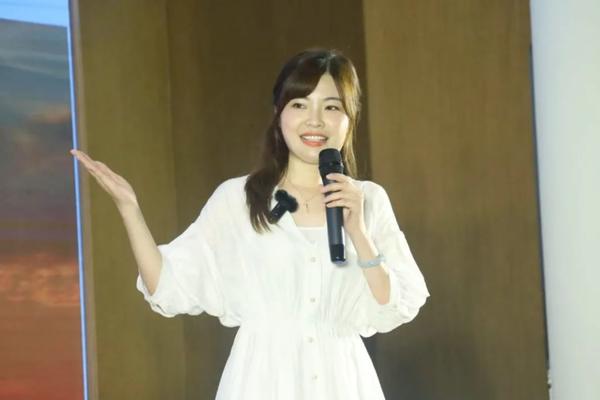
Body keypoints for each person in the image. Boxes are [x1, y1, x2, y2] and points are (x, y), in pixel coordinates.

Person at [71, 48, 430, 400]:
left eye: (331, 107)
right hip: (262, 379)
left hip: (342, 380)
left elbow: (393, 306)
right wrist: (129, 209)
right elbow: (168, 284)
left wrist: (359, 235)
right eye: (300, 105)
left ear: (350, 118)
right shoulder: (238, 199)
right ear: (279, 114)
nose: (315, 120)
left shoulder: (368, 199)